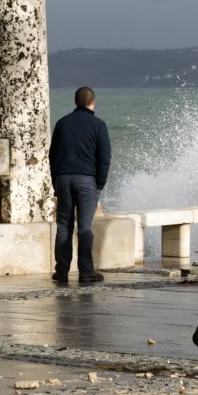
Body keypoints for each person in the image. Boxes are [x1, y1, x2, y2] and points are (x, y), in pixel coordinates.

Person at [49, 86, 111, 284]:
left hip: (63, 179)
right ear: (93, 102)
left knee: (64, 226)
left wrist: (55, 180)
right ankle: (86, 271)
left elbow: (52, 155)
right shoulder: (99, 125)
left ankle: (61, 271)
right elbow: (104, 158)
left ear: (76, 102)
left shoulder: (62, 123)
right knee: (84, 227)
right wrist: (99, 183)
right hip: (87, 181)